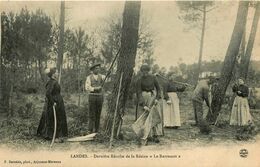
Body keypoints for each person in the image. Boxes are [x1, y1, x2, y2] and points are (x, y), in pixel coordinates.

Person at [132, 64, 162, 146]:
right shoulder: (139, 80)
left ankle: (156, 135)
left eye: (146, 71)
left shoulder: (153, 77)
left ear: (148, 71)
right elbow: (138, 92)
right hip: (144, 98)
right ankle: (145, 136)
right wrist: (142, 104)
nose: (145, 73)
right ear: (141, 72)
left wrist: (157, 98)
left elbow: (159, 89)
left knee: (154, 115)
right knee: (144, 117)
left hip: (153, 97)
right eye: (143, 71)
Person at [37, 67, 68, 142]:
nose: (57, 73)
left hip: (58, 102)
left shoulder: (54, 81)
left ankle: (59, 135)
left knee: (59, 118)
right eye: (56, 72)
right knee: (53, 119)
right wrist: (53, 102)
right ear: (53, 74)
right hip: (54, 103)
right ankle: (51, 135)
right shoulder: (51, 82)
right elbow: (48, 93)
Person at [85, 63, 105, 133]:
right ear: (93, 70)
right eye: (96, 68)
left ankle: (96, 130)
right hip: (92, 96)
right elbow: (87, 87)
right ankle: (90, 130)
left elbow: (108, 79)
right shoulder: (89, 77)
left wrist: (109, 74)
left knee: (98, 114)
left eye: (99, 68)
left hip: (100, 97)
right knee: (91, 114)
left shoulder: (102, 76)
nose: (98, 69)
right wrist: (95, 88)